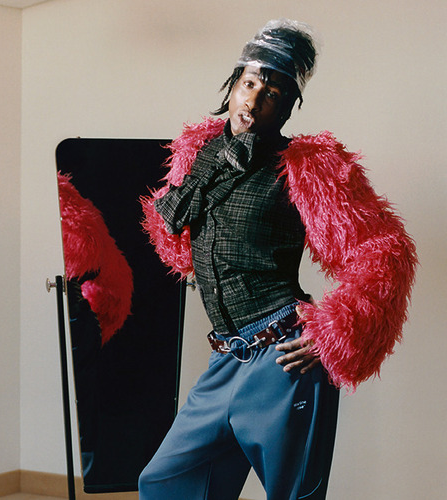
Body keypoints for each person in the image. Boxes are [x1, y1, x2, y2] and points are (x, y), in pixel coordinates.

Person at [138, 19, 417, 500]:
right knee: (165, 483)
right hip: (224, 358)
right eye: (249, 83)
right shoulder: (200, 156)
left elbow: (385, 249)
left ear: (287, 106)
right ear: (233, 85)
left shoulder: (306, 168)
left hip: (283, 361)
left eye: (271, 92)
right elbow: (177, 243)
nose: (253, 99)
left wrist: (335, 330)